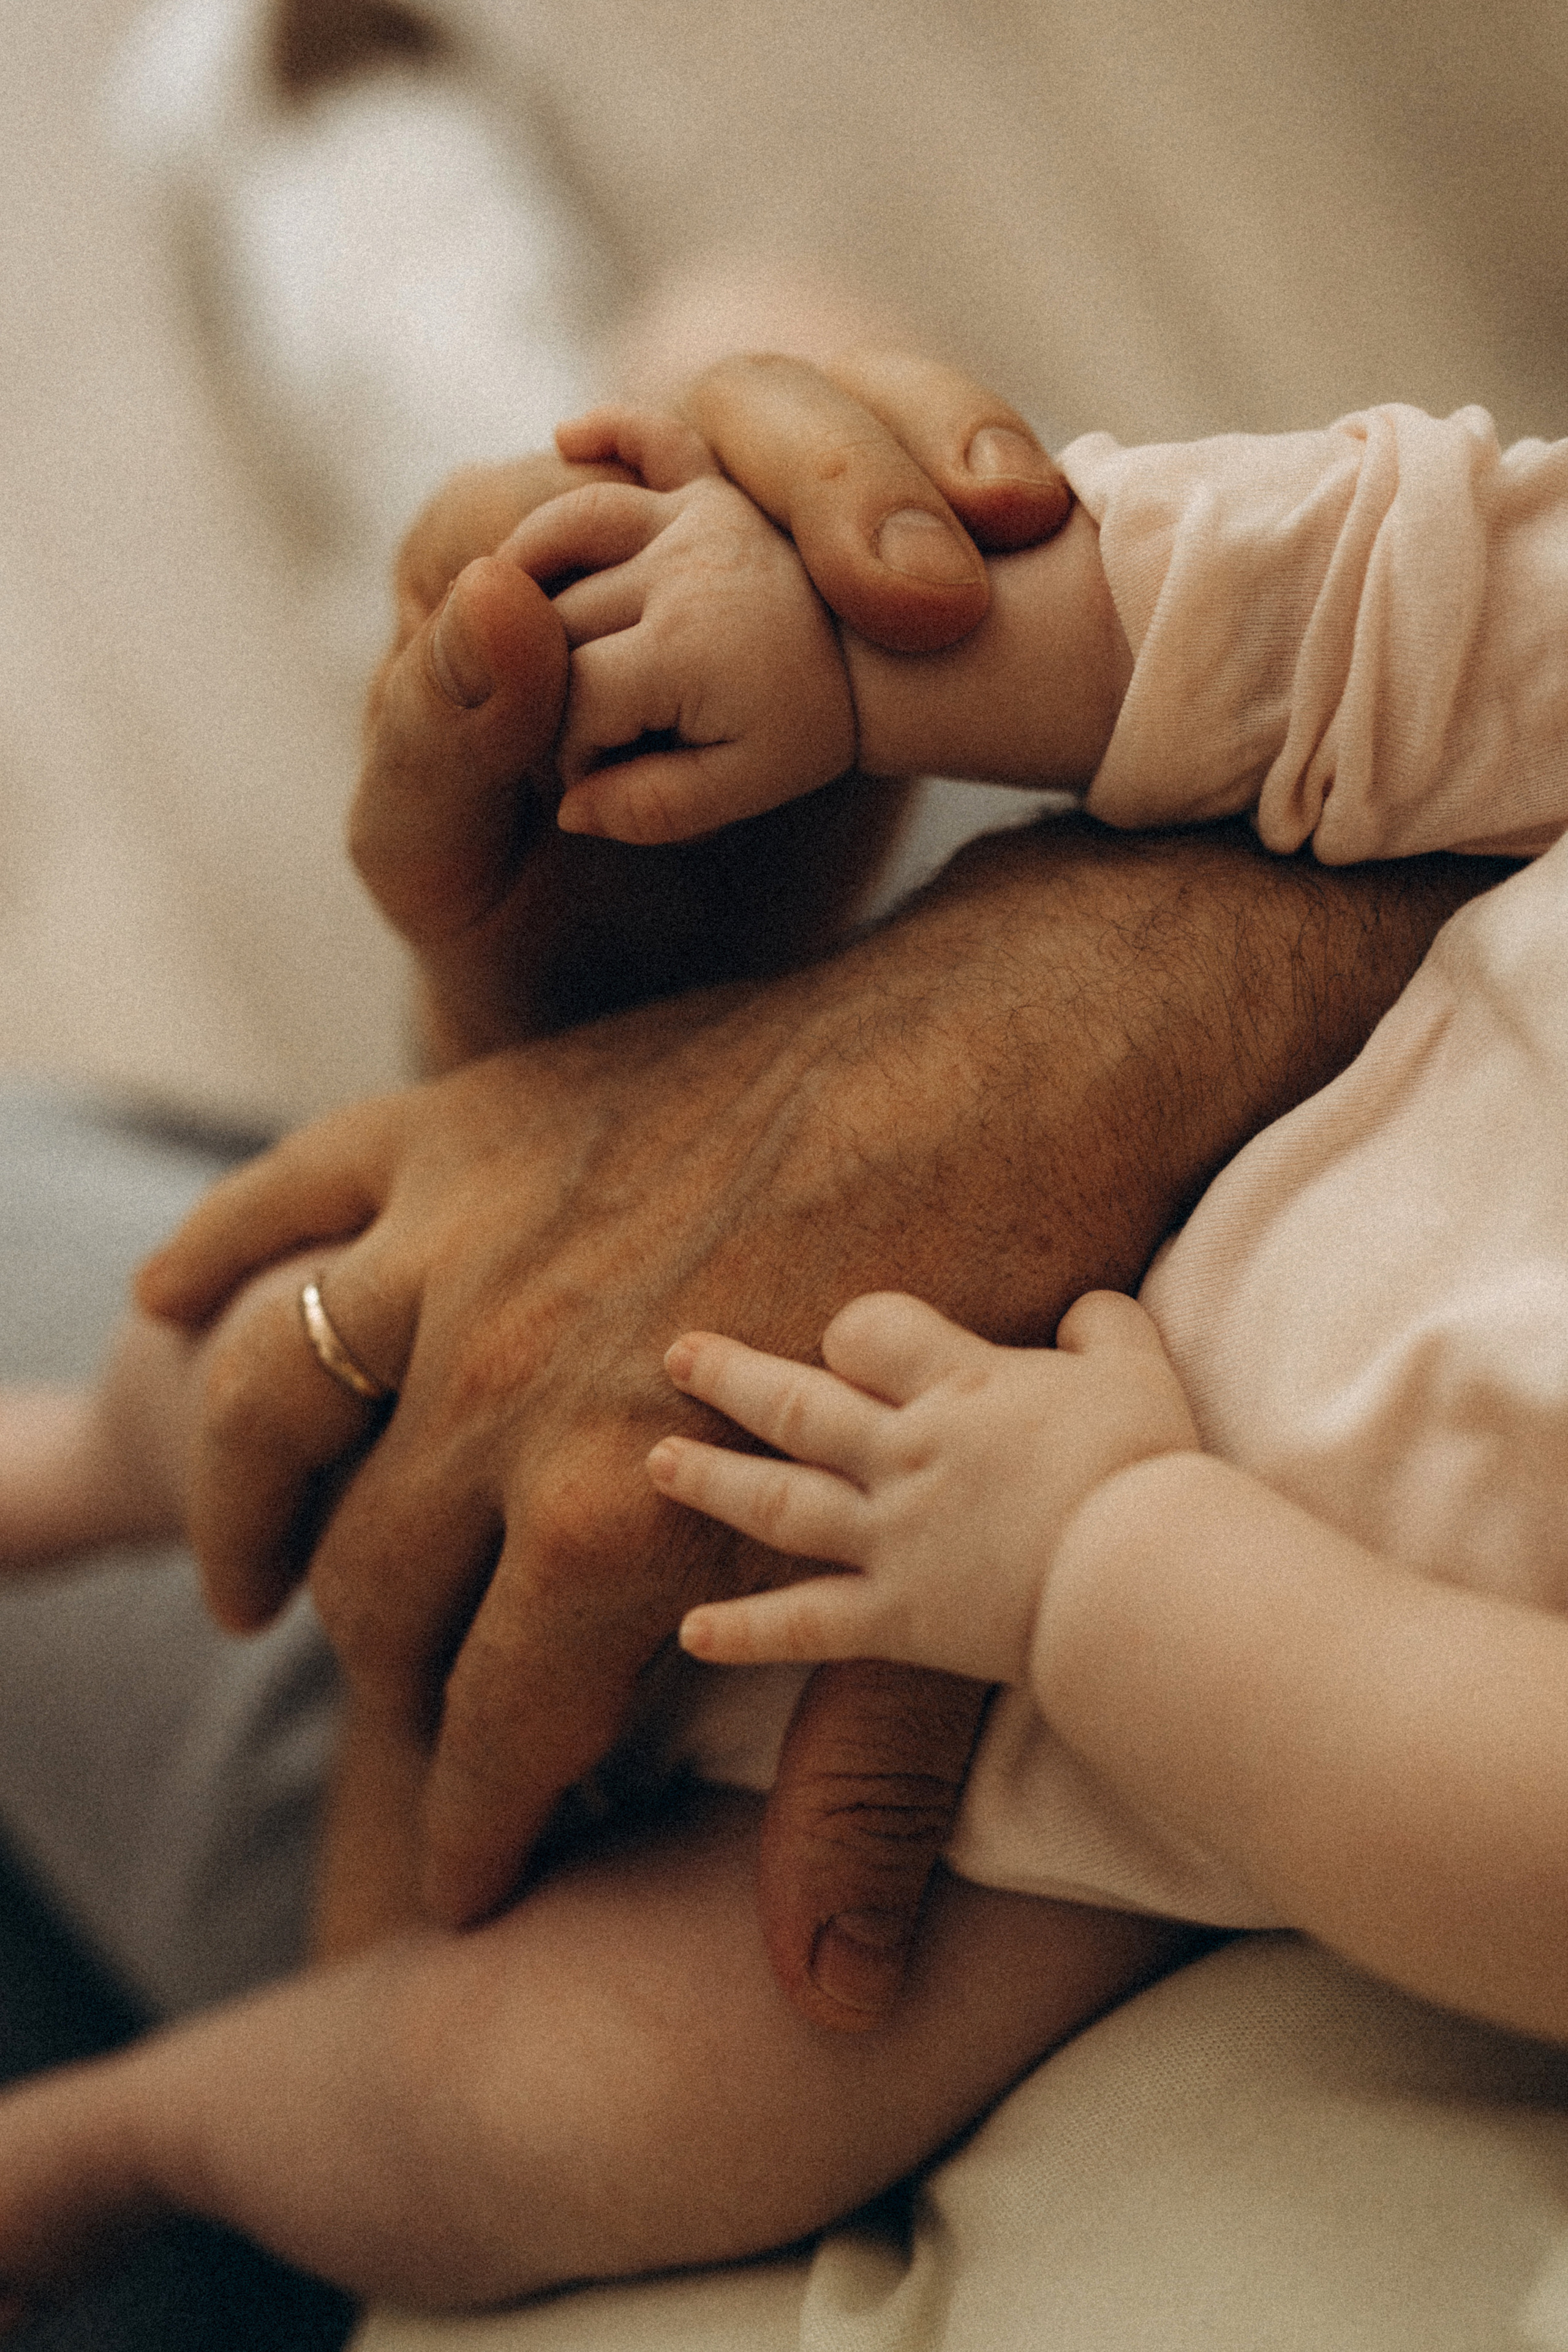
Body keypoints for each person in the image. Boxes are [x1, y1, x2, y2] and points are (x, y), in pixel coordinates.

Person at [0, 368, 1543, 2315]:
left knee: (565, 2108)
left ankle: (136, 2138)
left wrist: (1090, 1562)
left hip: (1132, 1720)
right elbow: (1437, 600)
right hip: (1260, 1107)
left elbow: (1513, 1831)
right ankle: (80, 1464)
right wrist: (874, 672)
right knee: (329, 1320)